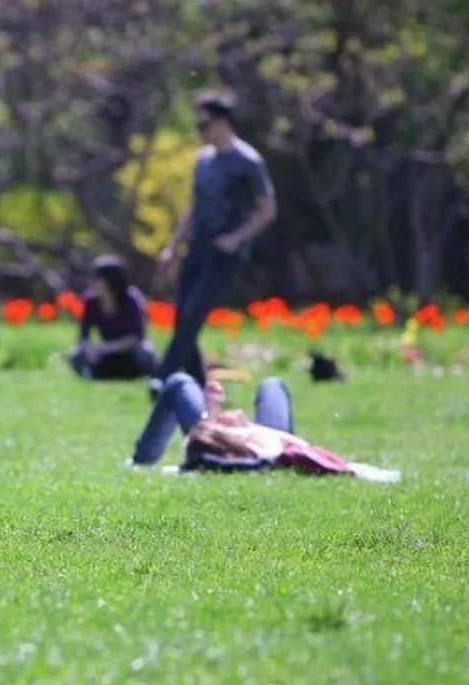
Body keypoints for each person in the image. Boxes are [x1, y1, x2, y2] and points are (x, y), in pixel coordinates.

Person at [150, 90, 277, 398]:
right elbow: (194, 209)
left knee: (194, 313)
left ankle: (163, 377)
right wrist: (173, 248)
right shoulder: (204, 161)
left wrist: (236, 238)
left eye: (204, 123)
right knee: (182, 316)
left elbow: (267, 209)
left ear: (222, 122)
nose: (200, 130)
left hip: (225, 251)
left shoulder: (248, 161)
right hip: (198, 247)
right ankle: (200, 386)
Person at [128, 373, 398, 482]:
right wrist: (240, 425)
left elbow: (206, 439)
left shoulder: (208, 442)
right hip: (259, 437)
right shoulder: (272, 452)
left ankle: (140, 460)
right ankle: (140, 459)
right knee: (272, 385)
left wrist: (215, 414)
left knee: (178, 382)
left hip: (229, 435)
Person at [70, 255, 158, 381]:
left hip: (128, 350)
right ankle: (91, 375)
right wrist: (89, 349)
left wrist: (105, 348)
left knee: (146, 354)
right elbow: (83, 335)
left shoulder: (131, 300)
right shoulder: (90, 302)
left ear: (110, 282)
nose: (91, 283)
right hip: (104, 352)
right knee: (76, 354)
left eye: (96, 279)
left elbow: (137, 337)